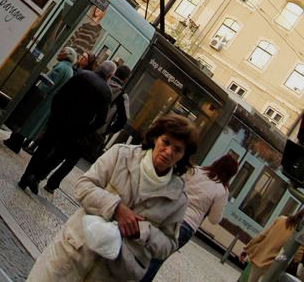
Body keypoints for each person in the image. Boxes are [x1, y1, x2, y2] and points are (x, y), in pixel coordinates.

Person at [27, 113, 198, 281]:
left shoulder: (177, 198)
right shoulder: (121, 156)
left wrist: (143, 230)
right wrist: (116, 208)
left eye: (177, 149)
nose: (168, 152)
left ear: (184, 155)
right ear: (156, 138)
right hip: (72, 255)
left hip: (114, 274)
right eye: (166, 142)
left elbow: (168, 246)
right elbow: (83, 187)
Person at [18, 61, 117, 195]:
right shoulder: (106, 92)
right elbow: (101, 120)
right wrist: (85, 130)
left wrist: (55, 112)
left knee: (43, 149)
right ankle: (36, 177)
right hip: (76, 129)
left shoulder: (82, 74)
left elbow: (60, 93)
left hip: (59, 119)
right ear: (111, 75)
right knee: (58, 155)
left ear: (99, 67)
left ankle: (25, 178)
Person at [140, 153, 238, 280]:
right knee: (157, 259)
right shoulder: (222, 191)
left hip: (169, 214)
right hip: (186, 226)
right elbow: (214, 219)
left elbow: (175, 185)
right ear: (230, 175)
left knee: (146, 250)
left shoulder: (195, 170)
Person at [43, 64, 132, 194]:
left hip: (79, 123)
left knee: (60, 151)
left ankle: (39, 175)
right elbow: (123, 120)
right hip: (94, 132)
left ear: (115, 73)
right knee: (72, 159)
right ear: (126, 79)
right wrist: (108, 130)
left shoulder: (98, 81)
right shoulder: (122, 96)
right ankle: (52, 184)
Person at [4, 48, 77, 154]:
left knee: (27, 119)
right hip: (50, 101)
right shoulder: (69, 70)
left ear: (66, 55)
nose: (59, 53)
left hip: (43, 98)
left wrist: (37, 91)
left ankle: (14, 142)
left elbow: (48, 84)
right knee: (32, 122)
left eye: (62, 51)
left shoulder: (61, 67)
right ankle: (16, 142)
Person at [241, 210, 304, 282]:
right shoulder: (300, 234)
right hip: (274, 267)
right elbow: (298, 257)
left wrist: (246, 248)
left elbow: (261, 236)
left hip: (259, 259)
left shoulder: (281, 219)